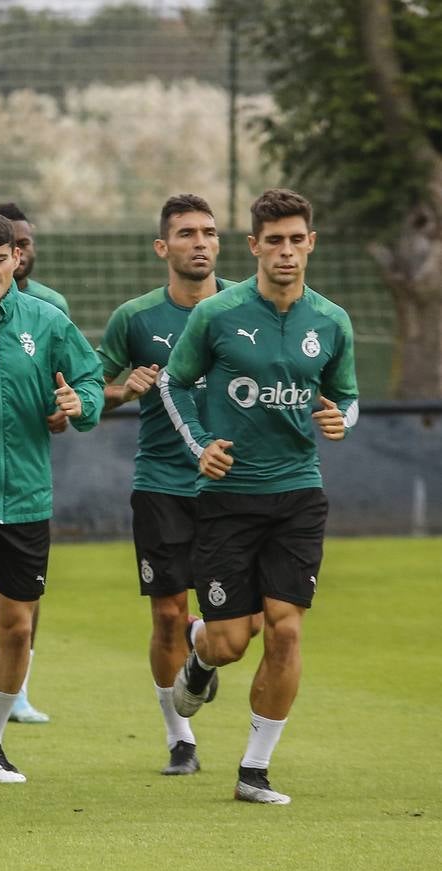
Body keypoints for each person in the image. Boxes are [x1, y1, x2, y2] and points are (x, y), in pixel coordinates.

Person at [161, 188, 356, 805]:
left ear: (311, 244)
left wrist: (341, 420)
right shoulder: (218, 314)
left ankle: (254, 770)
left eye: (297, 240)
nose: (287, 252)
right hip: (226, 497)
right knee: (230, 641)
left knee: (286, 630)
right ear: (254, 247)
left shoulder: (331, 320)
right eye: (275, 241)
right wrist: (199, 446)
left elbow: (346, 396)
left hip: (298, 495)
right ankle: (199, 654)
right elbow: (173, 381)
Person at [0, 213, 102, 788]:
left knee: (16, 629)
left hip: (29, 498)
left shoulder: (47, 321)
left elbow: (90, 379)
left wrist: (79, 404)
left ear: (17, 259)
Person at [96, 193, 233, 776]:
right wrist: (125, 388)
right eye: (185, 233)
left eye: (208, 232)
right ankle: (180, 739)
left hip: (233, 486)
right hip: (161, 484)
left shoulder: (244, 307)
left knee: (228, 625)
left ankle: (202, 650)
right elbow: (87, 390)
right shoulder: (135, 318)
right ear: (163, 247)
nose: (199, 242)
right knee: (165, 615)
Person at [0, 200, 66, 723]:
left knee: (21, 611)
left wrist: (66, 407)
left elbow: (70, 381)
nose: (21, 252)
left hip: (25, 477)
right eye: (9, 245)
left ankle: (16, 690)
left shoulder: (50, 309)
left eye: (25, 243)